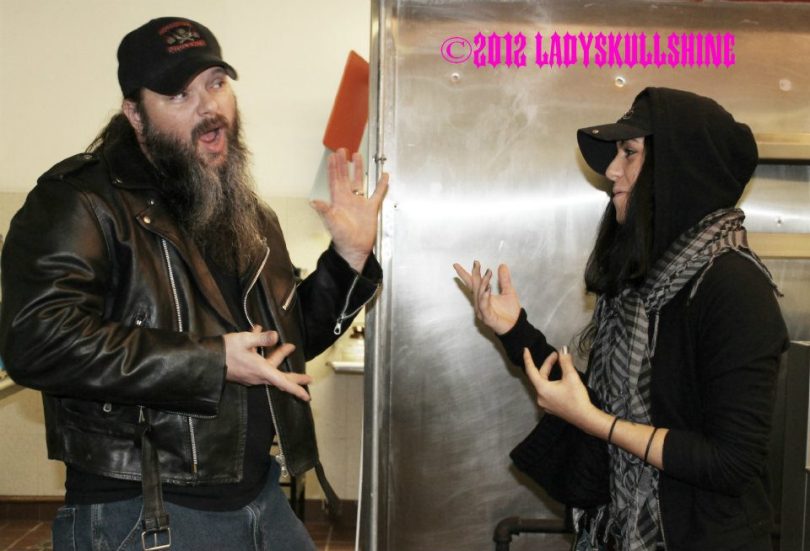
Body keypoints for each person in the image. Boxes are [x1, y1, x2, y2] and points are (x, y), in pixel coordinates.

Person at [0, 16, 388, 551]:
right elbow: (36, 341)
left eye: (216, 83)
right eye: (178, 94)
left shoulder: (247, 212)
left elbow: (282, 345)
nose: (209, 107)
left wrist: (348, 258)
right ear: (134, 114)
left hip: (259, 499)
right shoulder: (80, 200)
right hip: (142, 508)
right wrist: (210, 361)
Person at [454, 87, 788, 550]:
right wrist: (515, 331)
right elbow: (594, 403)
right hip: (617, 532)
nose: (612, 171)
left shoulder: (733, 285)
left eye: (629, 153)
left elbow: (731, 462)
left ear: (679, 169)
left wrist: (598, 424)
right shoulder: (640, 285)